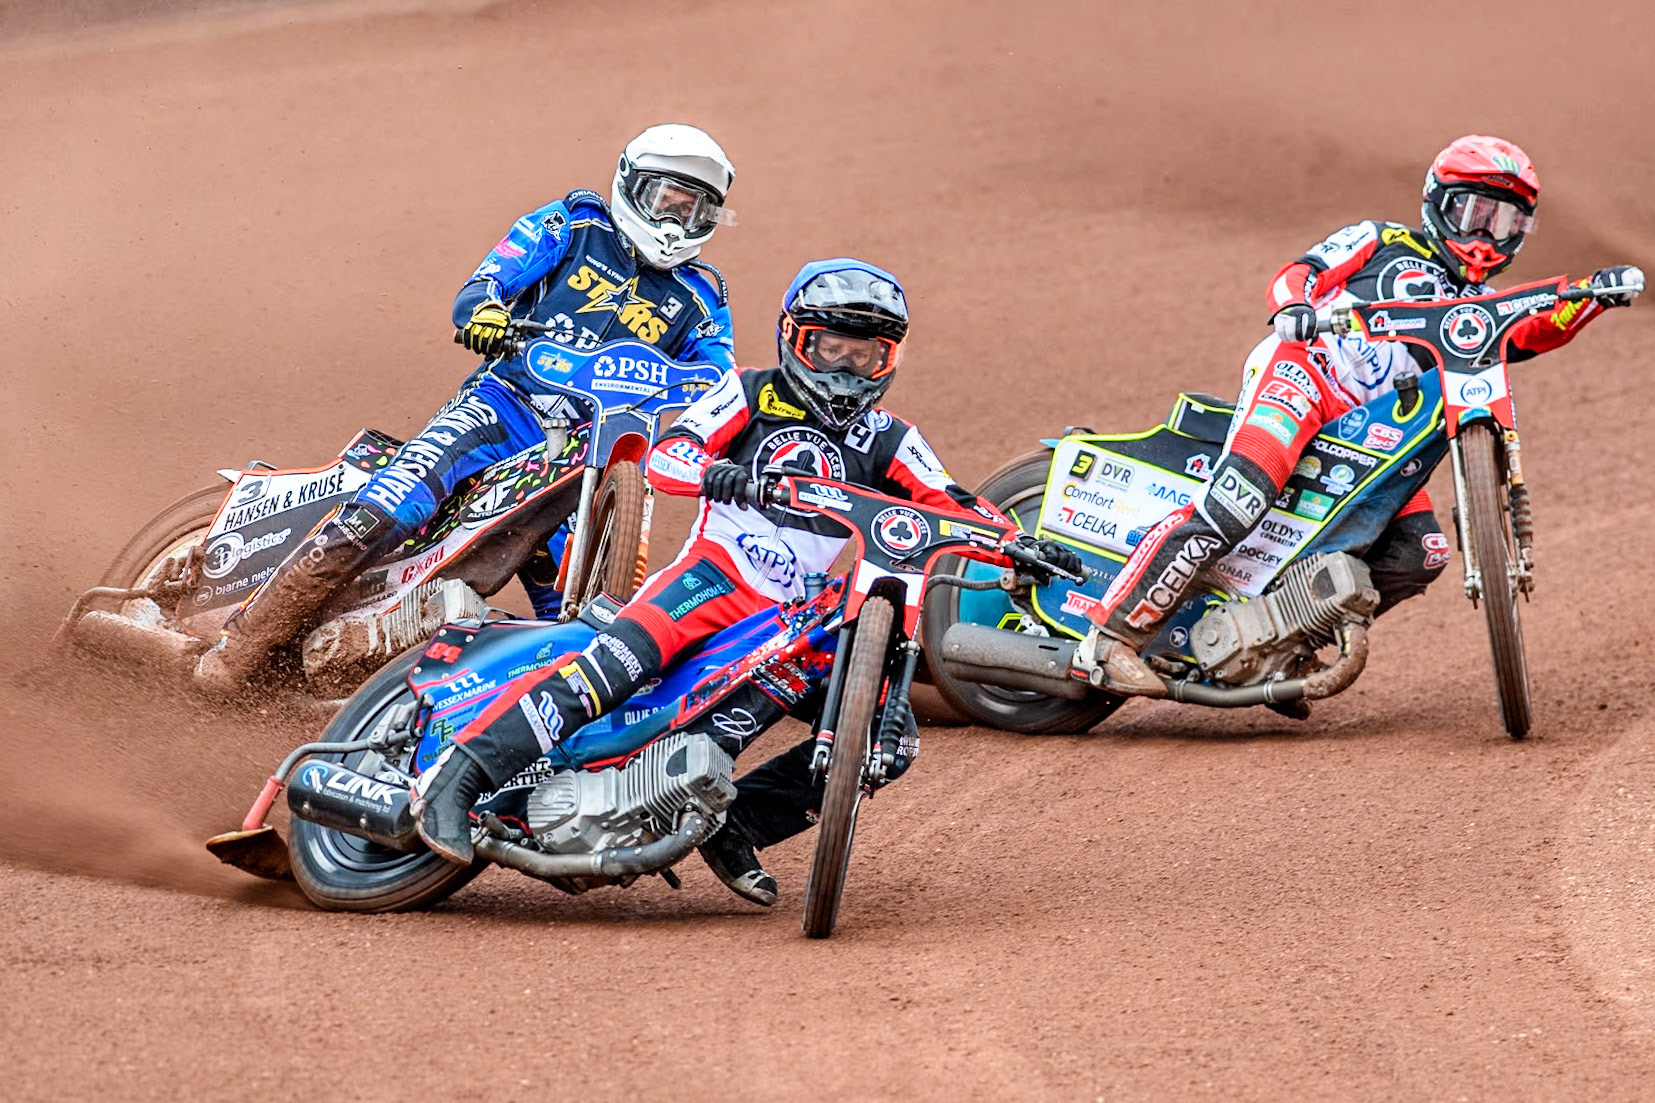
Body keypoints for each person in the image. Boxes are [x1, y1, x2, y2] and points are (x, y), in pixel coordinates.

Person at [407, 257, 1083, 904]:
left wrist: (1020, 545)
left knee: (890, 735)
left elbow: (951, 503)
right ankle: (455, 778)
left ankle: (740, 827)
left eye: (866, 354)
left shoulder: (889, 438)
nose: (847, 369)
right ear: (795, 338)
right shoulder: (747, 390)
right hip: (711, 580)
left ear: (889, 360)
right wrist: (711, 471)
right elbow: (670, 452)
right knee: (609, 669)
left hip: (793, 622)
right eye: (830, 349)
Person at [1079, 134, 1645, 698]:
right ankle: (1112, 635)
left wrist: (1591, 297)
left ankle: (1277, 645)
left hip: (1369, 430)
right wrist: (1296, 307)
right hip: (1303, 375)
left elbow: (1533, 328)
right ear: (1436, 203)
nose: (1481, 234)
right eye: (1470, 212)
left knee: (1420, 553)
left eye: (1501, 222)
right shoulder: (1379, 239)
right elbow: (1299, 272)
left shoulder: (1480, 311)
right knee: (1239, 498)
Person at [196, 123, 738, 694]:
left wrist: (734, 414)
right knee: (392, 506)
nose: (677, 222)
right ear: (631, 186)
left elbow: (722, 376)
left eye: (696, 210)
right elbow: (489, 281)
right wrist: (486, 311)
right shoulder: (575, 224)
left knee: (568, 608)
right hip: (502, 404)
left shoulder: (703, 295)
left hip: (585, 453)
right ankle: (239, 648)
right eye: (667, 201)